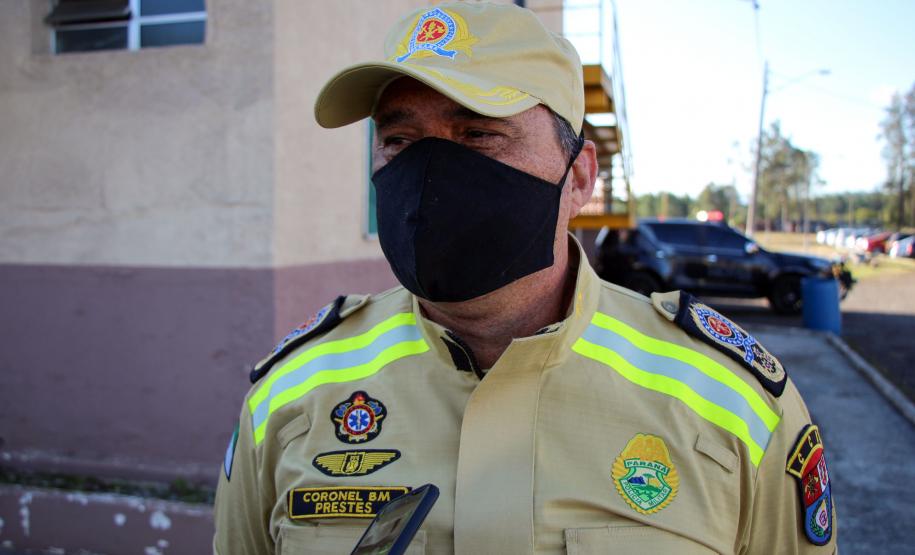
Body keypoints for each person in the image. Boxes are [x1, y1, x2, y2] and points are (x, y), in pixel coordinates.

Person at [213, 2, 837, 554]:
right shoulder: (289, 397)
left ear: (580, 177)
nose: (429, 175)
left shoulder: (734, 405)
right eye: (399, 141)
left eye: (479, 133)